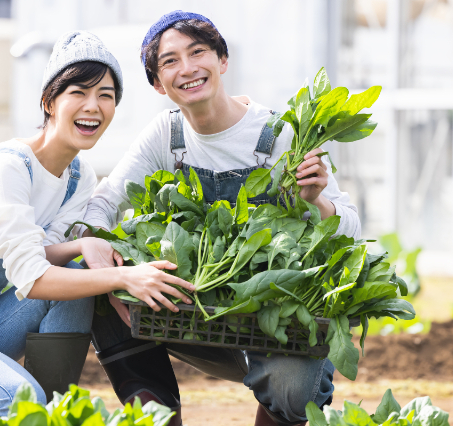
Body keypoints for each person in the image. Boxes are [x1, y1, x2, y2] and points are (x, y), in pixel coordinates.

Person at [0, 31, 195, 426]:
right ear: (49, 101)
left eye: (106, 95)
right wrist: (124, 275)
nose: (93, 106)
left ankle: (48, 415)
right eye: (79, 92)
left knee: (75, 284)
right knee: (18, 399)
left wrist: (84, 247)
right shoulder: (9, 167)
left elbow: (40, 253)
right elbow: (32, 280)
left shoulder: (79, 177)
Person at [83, 11, 362, 426]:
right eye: (171, 61)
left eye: (198, 52)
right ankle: (159, 418)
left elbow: (352, 231)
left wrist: (317, 201)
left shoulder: (280, 134)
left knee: (294, 391)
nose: (188, 68)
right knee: (90, 281)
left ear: (222, 61)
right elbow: (101, 205)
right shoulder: (166, 136)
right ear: (158, 83)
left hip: (273, 324)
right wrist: (107, 272)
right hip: (194, 312)